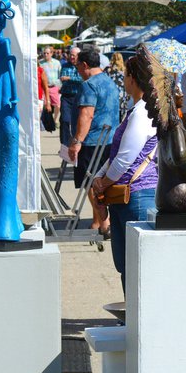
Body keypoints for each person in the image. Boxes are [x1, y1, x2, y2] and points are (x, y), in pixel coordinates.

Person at [90, 52, 158, 292]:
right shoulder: (138, 109)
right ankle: (131, 317)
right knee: (126, 264)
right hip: (129, 194)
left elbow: (125, 159)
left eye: (126, 75)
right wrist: (101, 177)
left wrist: (103, 182)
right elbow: (118, 156)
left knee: (134, 264)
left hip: (135, 195)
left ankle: (136, 319)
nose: (124, 79)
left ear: (132, 79)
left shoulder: (142, 113)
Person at [68, 46, 121, 235]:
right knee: (101, 182)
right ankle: (98, 221)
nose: (78, 72)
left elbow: (86, 115)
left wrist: (76, 141)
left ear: (84, 65)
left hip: (92, 141)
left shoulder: (89, 85)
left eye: (78, 68)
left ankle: (103, 222)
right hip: (110, 139)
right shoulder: (110, 82)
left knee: (90, 182)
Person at [59, 46, 83, 147]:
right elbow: (62, 78)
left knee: (77, 121)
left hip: (78, 96)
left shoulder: (82, 65)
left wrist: (69, 78)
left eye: (74, 55)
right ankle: (65, 144)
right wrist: (72, 79)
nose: (71, 57)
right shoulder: (65, 65)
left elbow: (82, 79)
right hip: (66, 96)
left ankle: (77, 142)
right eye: (71, 55)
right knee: (65, 120)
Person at [40, 46, 62, 122]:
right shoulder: (40, 63)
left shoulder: (57, 63)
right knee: (45, 105)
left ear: (51, 53)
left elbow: (60, 75)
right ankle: (46, 121)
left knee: (58, 105)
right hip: (44, 87)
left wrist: (59, 86)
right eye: (44, 53)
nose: (46, 54)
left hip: (54, 87)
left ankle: (55, 120)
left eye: (47, 53)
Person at [105, 52, 128, 121]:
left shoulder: (108, 70)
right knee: (121, 119)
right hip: (122, 96)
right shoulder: (124, 70)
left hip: (111, 96)